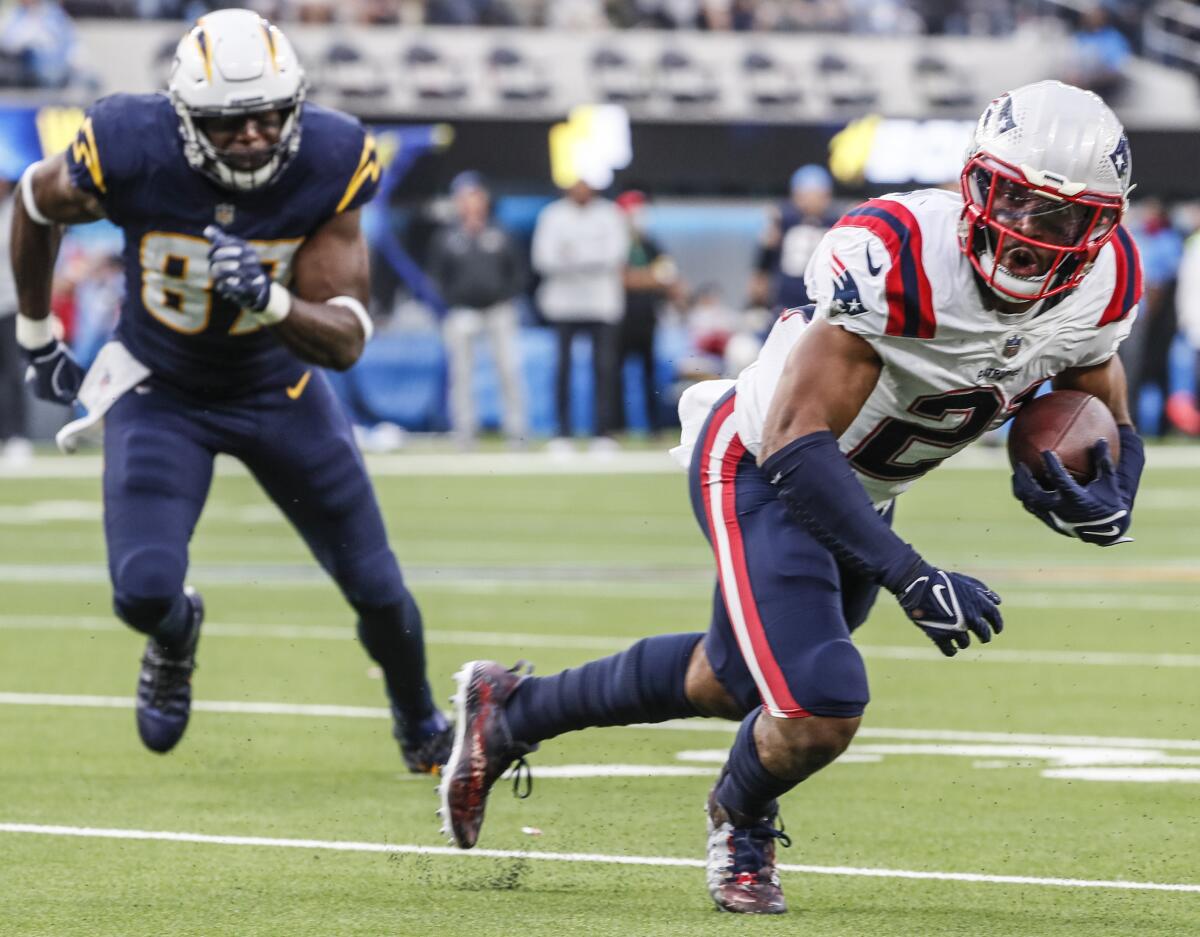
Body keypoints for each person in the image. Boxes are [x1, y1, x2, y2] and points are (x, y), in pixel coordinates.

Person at [438, 81, 1146, 914]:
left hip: (863, 484)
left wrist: (1115, 487)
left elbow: (1102, 393)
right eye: (1018, 202)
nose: (1032, 235)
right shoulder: (902, 253)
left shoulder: (1104, 282)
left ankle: (510, 710)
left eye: (1062, 218)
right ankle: (739, 815)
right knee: (818, 701)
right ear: (977, 182)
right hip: (764, 460)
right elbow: (796, 439)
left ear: (1100, 225)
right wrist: (910, 575)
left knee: (729, 678)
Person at [10, 9, 452, 772]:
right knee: (142, 592)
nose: (252, 134)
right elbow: (35, 200)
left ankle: (420, 722)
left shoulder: (332, 154)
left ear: (297, 105)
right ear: (184, 120)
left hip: (276, 388)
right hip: (162, 388)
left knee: (377, 586)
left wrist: (273, 302)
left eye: (270, 114)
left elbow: (346, 337)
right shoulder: (128, 142)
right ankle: (177, 635)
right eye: (227, 122)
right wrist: (34, 330)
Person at [428, 171, 528, 448]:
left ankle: (517, 430)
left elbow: (518, 272)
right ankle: (464, 431)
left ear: (484, 199)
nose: (471, 203)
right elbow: (436, 276)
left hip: (498, 310)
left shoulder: (501, 232)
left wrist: (505, 296)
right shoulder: (447, 237)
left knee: (509, 370)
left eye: (475, 196)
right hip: (462, 312)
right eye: (465, 198)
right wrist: (451, 301)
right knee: (461, 374)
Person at [531, 177, 628, 451]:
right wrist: (588, 258)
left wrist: (572, 256)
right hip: (563, 304)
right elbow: (543, 258)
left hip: (602, 304)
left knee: (605, 368)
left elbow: (614, 255)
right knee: (562, 369)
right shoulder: (552, 215)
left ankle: (603, 433)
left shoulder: (610, 214)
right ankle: (562, 433)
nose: (582, 188)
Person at [614, 189, 682, 435]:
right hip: (620, 315)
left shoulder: (650, 243)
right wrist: (652, 278)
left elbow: (670, 275)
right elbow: (623, 278)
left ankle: (654, 427)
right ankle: (617, 426)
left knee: (649, 372)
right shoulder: (616, 243)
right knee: (615, 372)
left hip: (647, 315)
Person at [749, 164, 838, 315]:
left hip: (823, 299)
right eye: (807, 194)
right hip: (785, 298)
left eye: (817, 194)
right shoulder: (782, 220)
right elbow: (765, 259)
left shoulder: (836, 222)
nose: (812, 200)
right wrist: (760, 280)